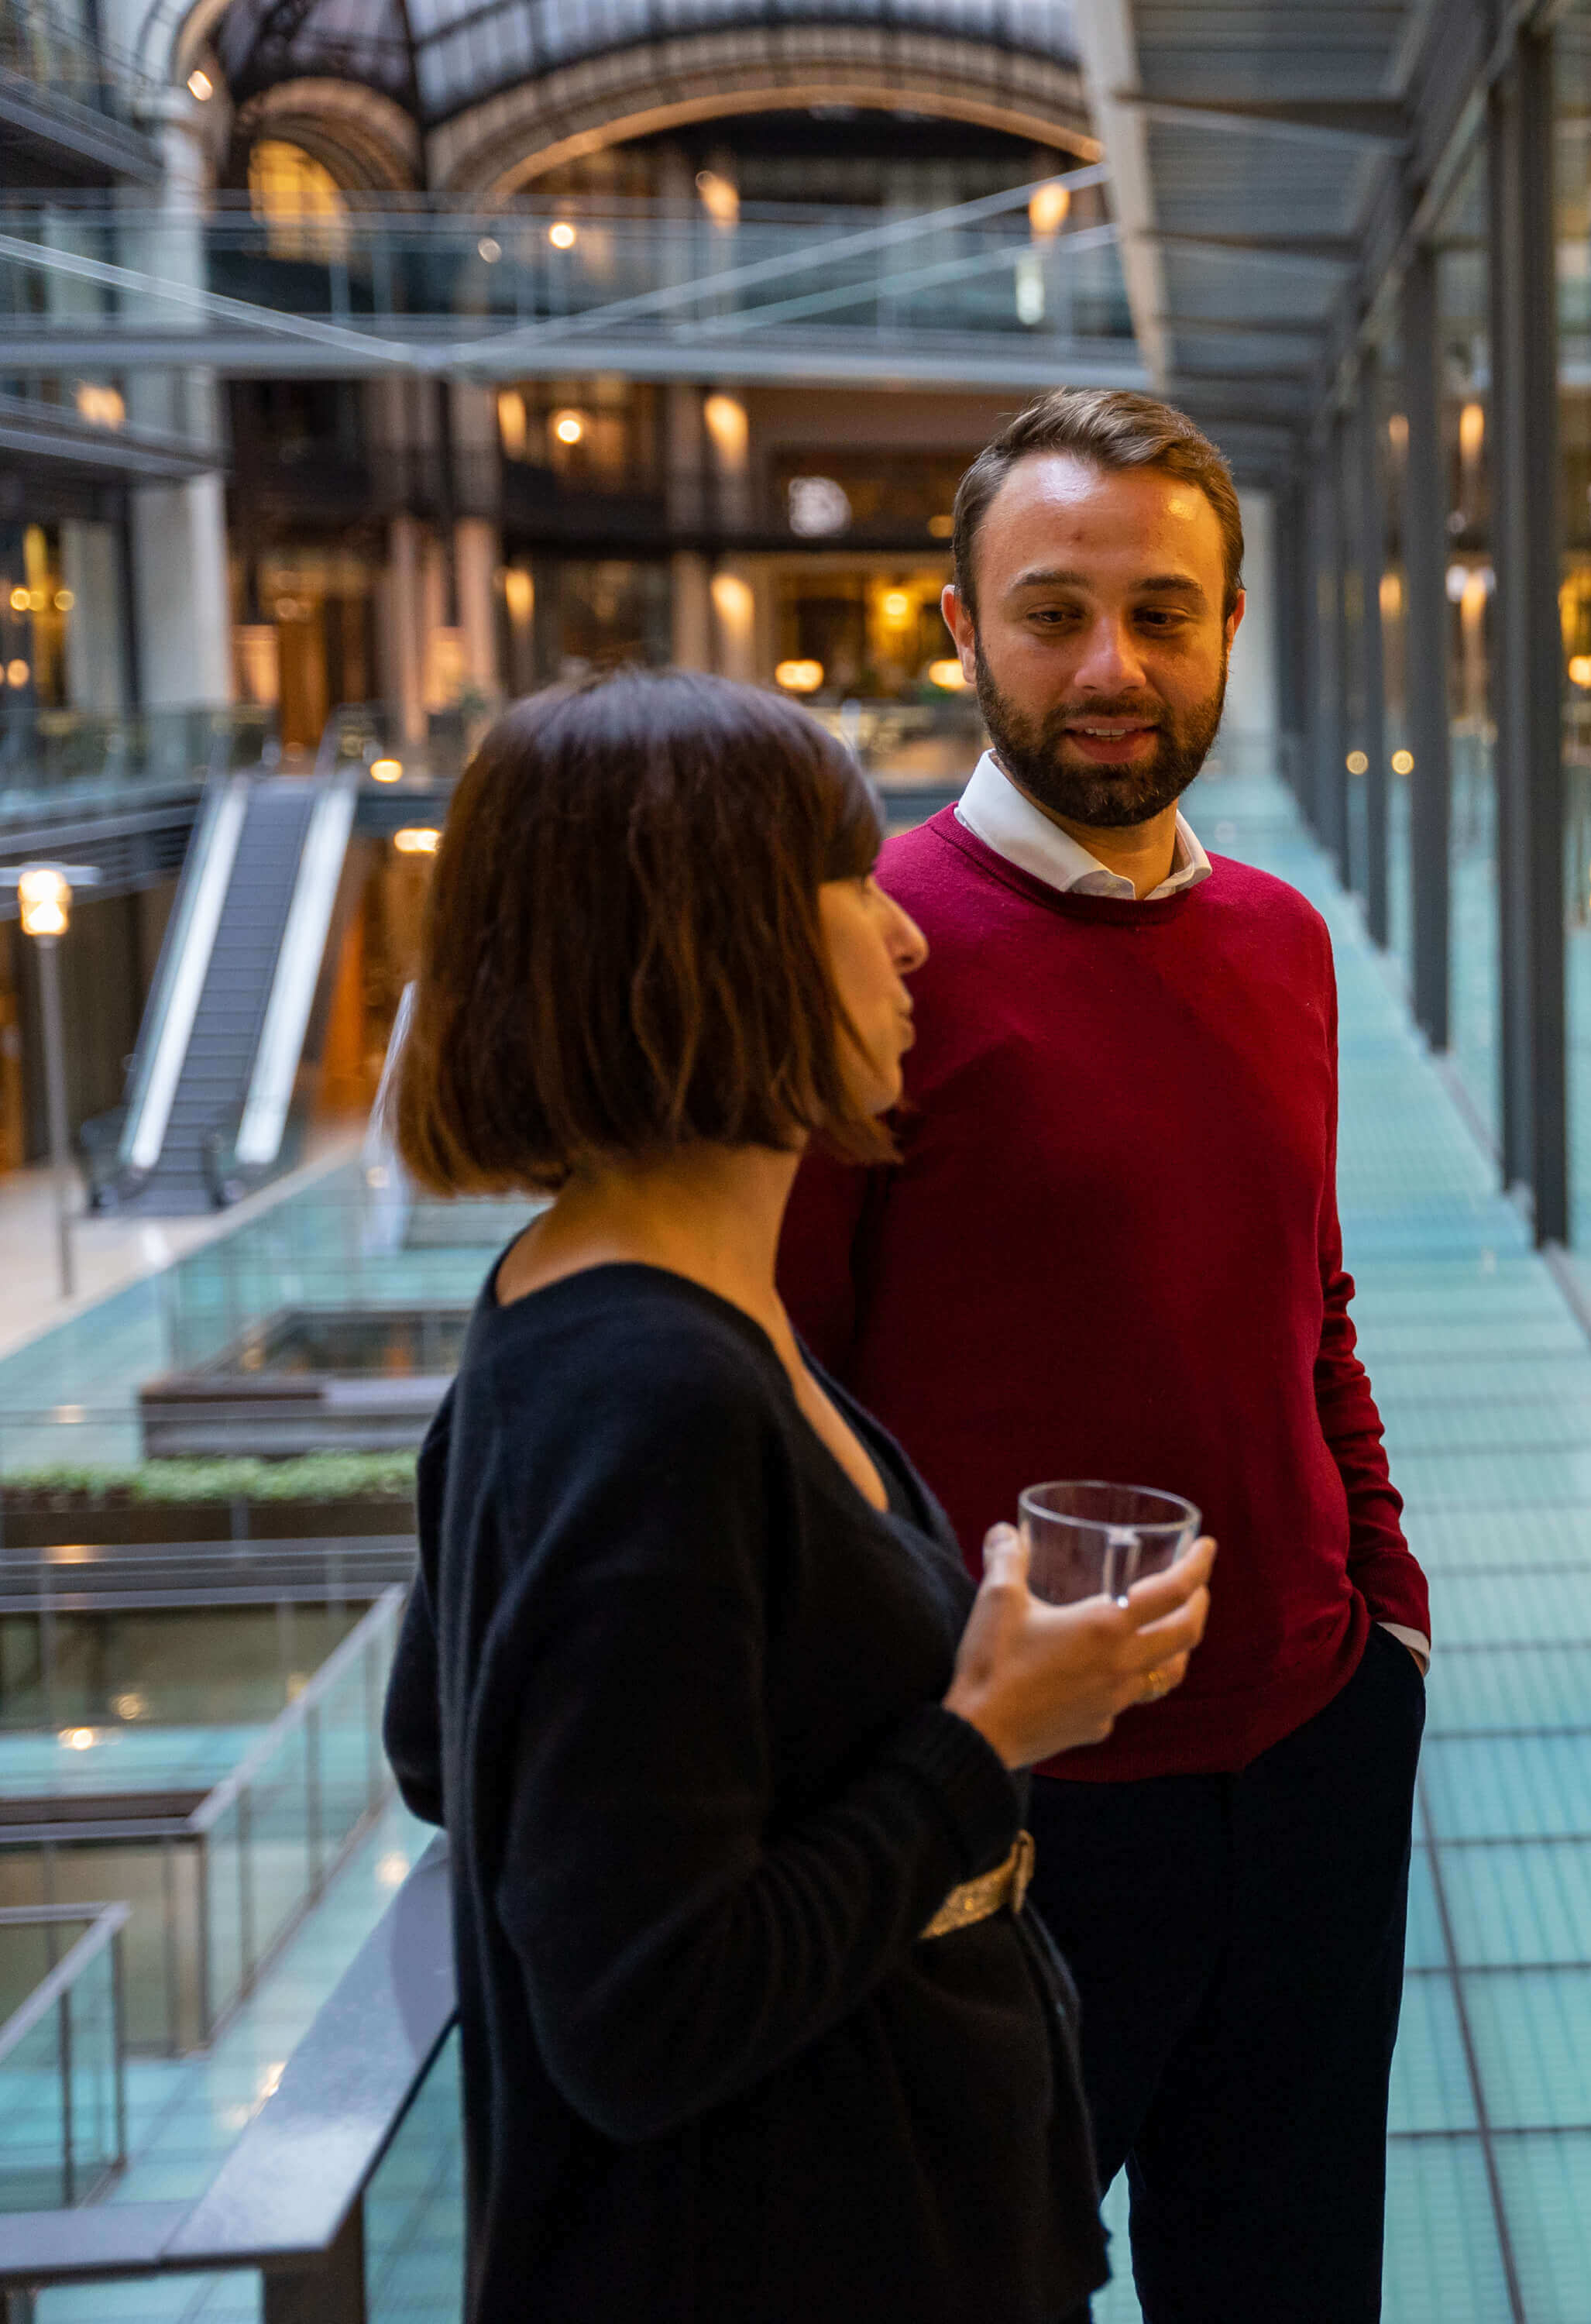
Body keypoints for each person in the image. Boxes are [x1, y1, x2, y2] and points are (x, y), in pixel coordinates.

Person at [382, 669, 1214, 2322]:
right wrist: (981, 1739)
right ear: (712, 938)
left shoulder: (597, 1299)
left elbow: (446, 1739)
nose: (906, 935)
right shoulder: (652, 1394)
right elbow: (642, 2014)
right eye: (851, 886)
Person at [777, 387, 1428, 2323]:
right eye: (1055, 612)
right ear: (960, 629)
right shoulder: (871, 954)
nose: (1113, 666)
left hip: (1313, 1756)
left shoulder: (1282, 942)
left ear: (1234, 625)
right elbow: (789, 1401)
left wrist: (1384, 1617)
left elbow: (1305, 1306)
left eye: (1164, 610)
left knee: (1294, 2288)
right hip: (1024, 1811)